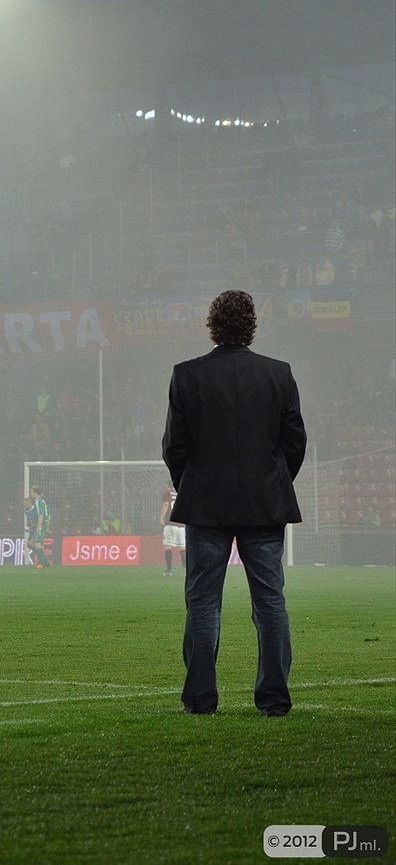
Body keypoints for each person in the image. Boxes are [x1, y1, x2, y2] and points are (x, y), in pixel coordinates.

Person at [162, 290, 306, 717]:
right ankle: (274, 700)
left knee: (203, 601)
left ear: (213, 326)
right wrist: (274, 482)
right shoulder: (278, 374)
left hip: (207, 505)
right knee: (270, 601)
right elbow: (294, 441)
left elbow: (175, 446)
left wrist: (191, 484)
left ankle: (200, 699)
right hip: (264, 504)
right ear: (251, 326)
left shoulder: (186, 375)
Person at [160, 479, 185, 576]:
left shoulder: (167, 494)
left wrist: (161, 517)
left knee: (168, 546)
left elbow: (166, 504)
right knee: (182, 547)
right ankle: (185, 569)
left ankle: (169, 570)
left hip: (171, 524)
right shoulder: (180, 493)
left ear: (167, 486)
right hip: (181, 525)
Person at [29, 486, 53, 568]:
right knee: (30, 544)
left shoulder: (38, 502)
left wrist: (39, 526)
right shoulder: (43, 502)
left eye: (31, 492)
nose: (31, 494)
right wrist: (47, 526)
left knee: (37, 544)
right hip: (41, 525)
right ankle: (42, 561)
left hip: (40, 525)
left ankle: (44, 563)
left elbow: (41, 514)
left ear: (35, 493)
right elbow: (49, 515)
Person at [23, 496, 36, 565]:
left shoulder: (35, 509)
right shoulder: (26, 511)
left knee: (31, 543)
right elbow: (29, 519)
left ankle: (40, 555)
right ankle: (39, 552)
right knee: (28, 545)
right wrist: (27, 526)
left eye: (25, 503)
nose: (24, 505)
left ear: (29, 503)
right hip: (32, 529)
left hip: (37, 528)